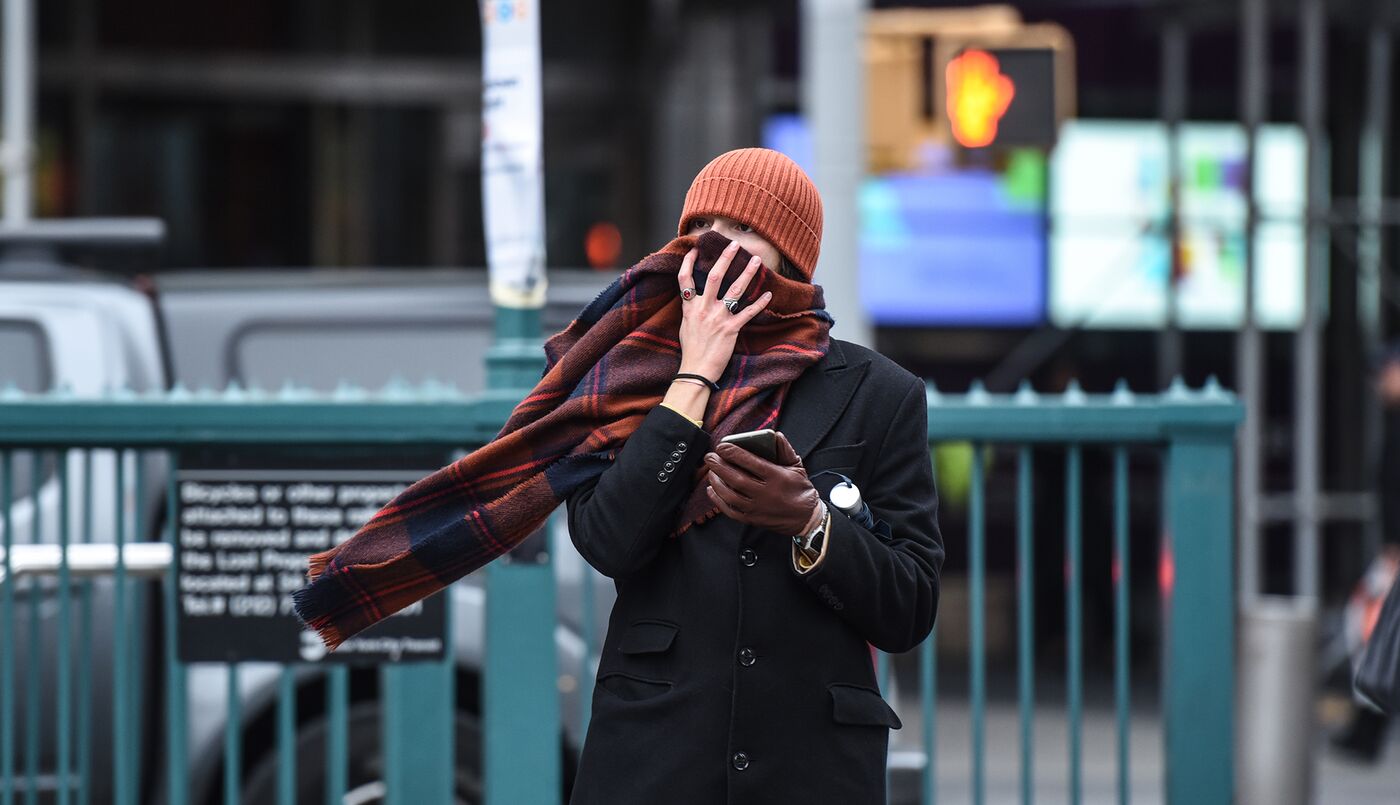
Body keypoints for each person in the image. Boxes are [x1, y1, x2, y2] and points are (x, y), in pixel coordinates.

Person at [564, 148, 944, 804]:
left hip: (811, 767)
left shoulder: (880, 392)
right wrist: (695, 373)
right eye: (701, 227)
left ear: (789, 259)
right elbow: (607, 540)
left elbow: (910, 604)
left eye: (742, 230)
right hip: (657, 757)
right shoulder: (629, 376)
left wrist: (812, 522)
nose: (715, 245)